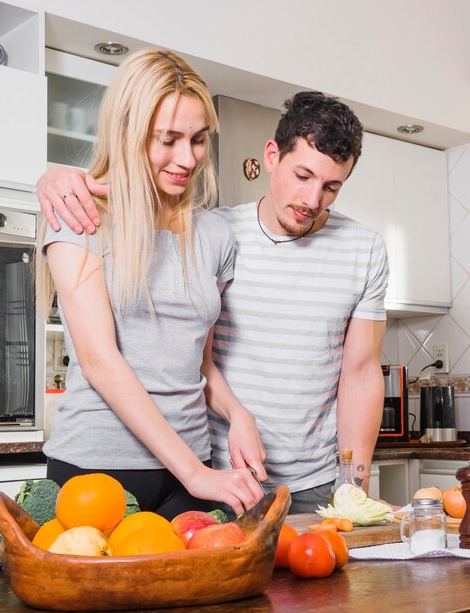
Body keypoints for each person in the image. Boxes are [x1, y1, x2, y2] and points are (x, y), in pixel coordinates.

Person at [38, 90, 389, 514]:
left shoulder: (358, 249)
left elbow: (361, 373)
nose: (312, 201)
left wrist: (354, 485)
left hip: (302, 479)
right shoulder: (221, 229)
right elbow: (115, 358)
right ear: (272, 156)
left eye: (331, 187)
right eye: (302, 176)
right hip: (212, 472)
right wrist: (54, 177)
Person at [36, 48, 264, 519]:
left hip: (193, 466)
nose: (187, 158)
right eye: (168, 139)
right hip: (99, 472)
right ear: (127, 133)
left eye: (199, 140)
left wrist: (238, 414)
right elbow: (101, 362)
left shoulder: (215, 234)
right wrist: (196, 474)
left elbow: (196, 365)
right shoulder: (81, 215)